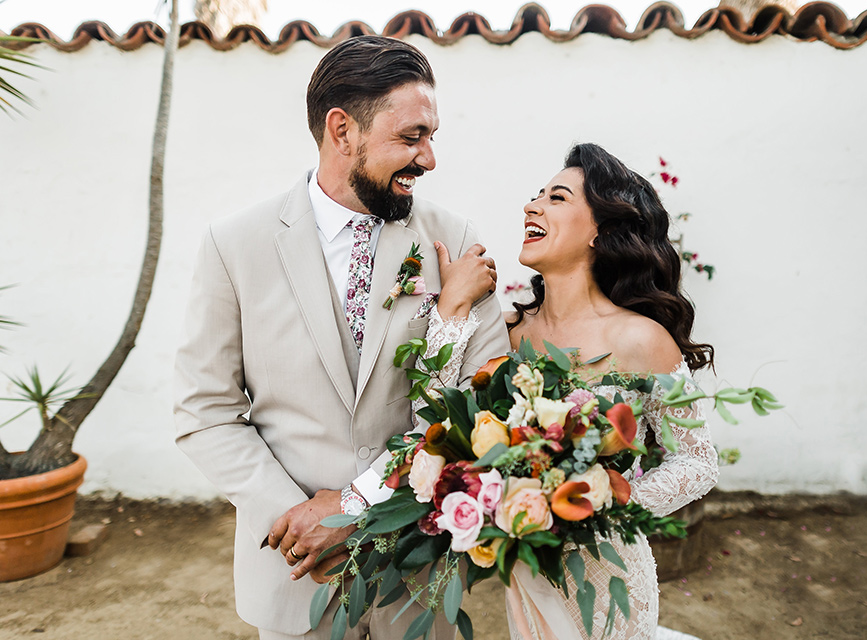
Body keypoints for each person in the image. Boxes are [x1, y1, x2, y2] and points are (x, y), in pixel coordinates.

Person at [172, 35, 510, 640]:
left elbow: (485, 406)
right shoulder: (235, 244)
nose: (429, 159)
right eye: (411, 138)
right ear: (342, 130)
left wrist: (358, 507)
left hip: (416, 575)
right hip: (296, 570)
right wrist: (295, 518)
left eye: (431, 137)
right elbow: (206, 409)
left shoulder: (454, 241)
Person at [430, 142, 720, 639]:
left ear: (600, 231)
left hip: (610, 580)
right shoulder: (508, 337)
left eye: (557, 198)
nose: (532, 205)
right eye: (536, 195)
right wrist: (453, 308)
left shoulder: (642, 339)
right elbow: (436, 416)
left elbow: (697, 461)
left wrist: (594, 507)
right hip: (527, 576)